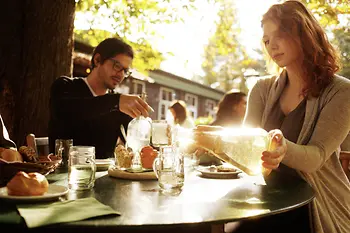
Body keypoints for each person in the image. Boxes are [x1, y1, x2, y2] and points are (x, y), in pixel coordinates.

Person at [232, 1, 350, 233]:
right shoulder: (261, 89)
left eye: (280, 35)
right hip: (262, 200)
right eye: (266, 40)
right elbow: (245, 147)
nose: (271, 46)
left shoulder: (341, 91)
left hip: (315, 203)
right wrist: (209, 142)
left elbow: (316, 157)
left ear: (304, 33)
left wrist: (283, 149)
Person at [48, 38, 152, 159]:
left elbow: (136, 136)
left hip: (105, 176)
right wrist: (116, 101)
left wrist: (152, 131)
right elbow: (64, 112)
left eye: (125, 70)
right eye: (117, 66)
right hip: (67, 173)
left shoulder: (118, 104)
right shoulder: (65, 86)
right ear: (98, 60)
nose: (121, 74)